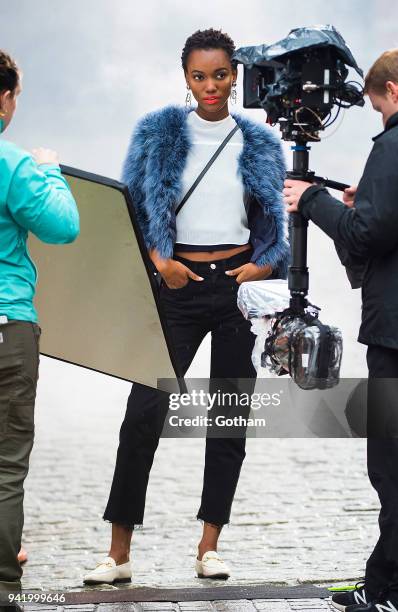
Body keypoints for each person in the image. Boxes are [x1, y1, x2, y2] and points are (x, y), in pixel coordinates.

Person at [83, 28, 289, 585]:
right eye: (200, 76)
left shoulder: (262, 142)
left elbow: (276, 221)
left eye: (220, 74)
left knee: (228, 417)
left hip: (237, 288)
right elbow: (131, 205)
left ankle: (209, 544)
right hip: (175, 283)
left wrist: (265, 266)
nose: (211, 86)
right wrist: (159, 261)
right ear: (186, 78)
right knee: (143, 414)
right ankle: (118, 554)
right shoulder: (157, 132)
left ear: (235, 75)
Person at [283, 49, 398, 612]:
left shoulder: (396, 143)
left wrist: (310, 200)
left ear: (394, 93)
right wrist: (364, 205)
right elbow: (387, 220)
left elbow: (363, 240)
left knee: (394, 466)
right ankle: (381, 583)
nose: (379, 116)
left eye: (378, 106)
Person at [0, 50, 80, 603]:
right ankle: (4, 579)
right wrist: (47, 167)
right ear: (5, 99)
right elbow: (63, 227)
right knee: (5, 466)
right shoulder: (13, 164)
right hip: (8, 328)